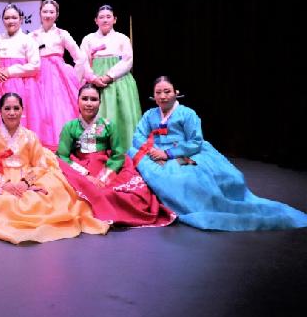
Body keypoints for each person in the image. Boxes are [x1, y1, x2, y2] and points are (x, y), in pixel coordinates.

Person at [131, 76, 307, 231]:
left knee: (188, 175)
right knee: (133, 155)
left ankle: (193, 206)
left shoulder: (187, 113)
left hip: (183, 153)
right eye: (158, 92)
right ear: (153, 95)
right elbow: (138, 135)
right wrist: (152, 150)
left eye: (167, 91)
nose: (163, 96)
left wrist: (168, 153)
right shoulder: (149, 115)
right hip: (154, 151)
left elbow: (195, 141)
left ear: (176, 92)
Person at [0, 92, 109, 244]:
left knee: (41, 198)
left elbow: (40, 165)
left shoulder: (30, 137)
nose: (12, 113)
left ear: (22, 110)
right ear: (0, 111)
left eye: (16, 108)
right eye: (7, 108)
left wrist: (26, 182)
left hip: (27, 175)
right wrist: (4, 183)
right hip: (1, 177)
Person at [56, 84, 175, 227]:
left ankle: (113, 214)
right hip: (80, 167)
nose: (89, 103)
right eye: (85, 99)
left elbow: (118, 154)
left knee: (128, 193)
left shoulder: (109, 125)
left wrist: (104, 177)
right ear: (78, 101)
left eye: (93, 99)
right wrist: (85, 175)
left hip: (106, 166)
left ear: (100, 102)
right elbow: (62, 155)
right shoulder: (69, 127)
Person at [79, 4, 141, 152]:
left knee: (123, 116)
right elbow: (82, 61)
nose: (105, 20)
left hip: (119, 81)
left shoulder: (122, 38)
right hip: (95, 83)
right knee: (97, 115)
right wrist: (93, 78)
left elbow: (127, 61)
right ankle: (97, 152)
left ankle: (125, 151)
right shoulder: (88, 39)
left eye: (108, 17)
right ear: (96, 20)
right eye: (101, 17)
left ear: (114, 19)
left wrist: (109, 76)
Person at [29, 0, 85, 149]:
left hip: (58, 77)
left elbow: (80, 57)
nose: (48, 15)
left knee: (59, 110)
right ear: (40, 13)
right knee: (41, 110)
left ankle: (62, 145)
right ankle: (41, 146)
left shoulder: (62, 34)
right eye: (45, 11)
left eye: (51, 12)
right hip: (38, 75)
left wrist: (74, 77)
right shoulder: (32, 35)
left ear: (57, 14)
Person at [0, 4, 43, 139]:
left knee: (19, 121)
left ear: (21, 19)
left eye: (14, 18)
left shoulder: (28, 40)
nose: (10, 21)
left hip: (21, 86)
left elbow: (35, 66)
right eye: (7, 18)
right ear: (2, 20)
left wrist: (10, 71)